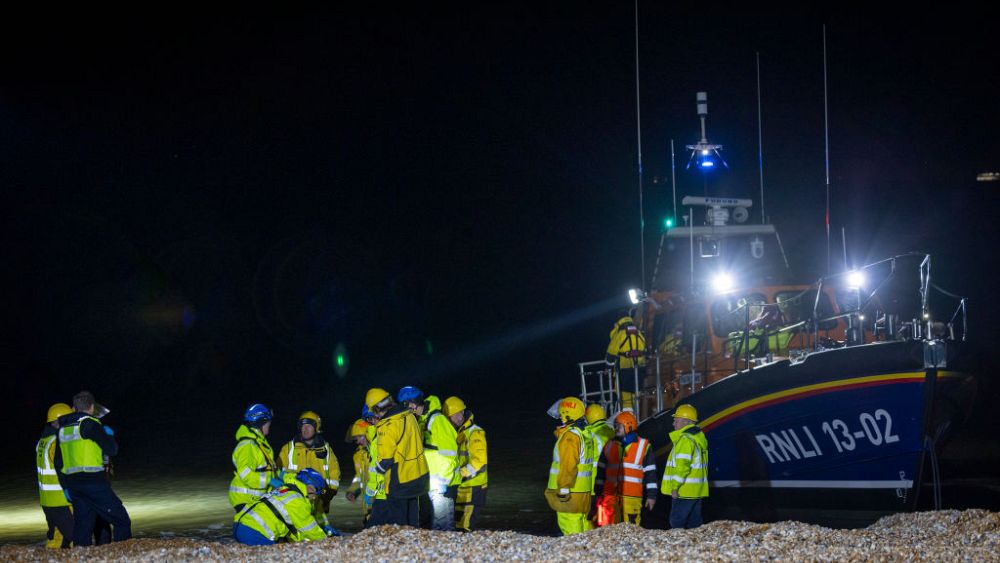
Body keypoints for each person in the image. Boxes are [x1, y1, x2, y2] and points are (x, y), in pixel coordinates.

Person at [54, 390, 131, 547]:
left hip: (74, 486)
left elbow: (58, 462)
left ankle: (80, 555)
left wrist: (65, 487)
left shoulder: (63, 429)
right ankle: (122, 554)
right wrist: (108, 435)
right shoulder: (89, 424)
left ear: (74, 407)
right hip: (94, 483)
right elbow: (112, 450)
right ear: (91, 407)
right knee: (122, 520)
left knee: (82, 527)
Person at [366, 387, 430, 527]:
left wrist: (377, 471)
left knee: (398, 524)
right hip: (419, 477)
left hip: (400, 481)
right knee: (412, 520)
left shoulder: (386, 425)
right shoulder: (410, 416)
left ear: (376, 409)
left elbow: (386, 459)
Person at [276, 411, 341, 536]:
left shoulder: (326, 449)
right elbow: (277, 473)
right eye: (302, 425)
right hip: (294, 504)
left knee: (318, 535)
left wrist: (327, 495)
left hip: (319, 503)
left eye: (309, 425)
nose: (305, 429)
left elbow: (334, 474)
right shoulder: (288, 449)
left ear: (317, 428)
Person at [404, 388, 459, 531]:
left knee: (443, 524)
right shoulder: (424, 420)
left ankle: (447, 544)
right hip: (433, 482)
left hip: (443, 482)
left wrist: (443, 481)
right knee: (435, 524)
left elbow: (450, 453)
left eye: (406, 405)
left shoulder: (437, 420)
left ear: (413, 404)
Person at [233, 468, 329, 545]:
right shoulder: (298, 501)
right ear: (310, 487)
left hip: (239, 525)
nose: (315, 497)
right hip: (254, 531)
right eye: (317, 492)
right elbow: (310, 530)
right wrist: (327, 542)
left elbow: (294, 529)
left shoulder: (285, 489)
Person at [593, 411, 656, 526]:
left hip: (632, 497)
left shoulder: (644, 446)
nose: (616, 429)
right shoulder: (609, 444)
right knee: (608, 529)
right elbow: (600, 471)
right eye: (615, 426)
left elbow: (651, 474)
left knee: (631, 529)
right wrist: (598, 492)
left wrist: (652, 496)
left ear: (629, 426)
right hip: (610, 496)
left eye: (619, 426)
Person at [544, 396, 595, 536]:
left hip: (570, 493)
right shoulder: (585, 433)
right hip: (583, 491)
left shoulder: (570, 437)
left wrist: (564, 488)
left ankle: (578, 549)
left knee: (569, 526)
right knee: (582, 523)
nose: (560, 417)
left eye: (562, 414)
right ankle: (588, 548)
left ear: (568, 414)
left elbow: (568, 465)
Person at [661, 404, 709, 529]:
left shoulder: (685, 440)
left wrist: (675, 487)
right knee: (695, 524)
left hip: (684, 490)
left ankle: (678, 542)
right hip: (696, 490)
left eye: (676, 421)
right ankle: (696, 542)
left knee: (676, 522)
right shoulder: (697, 438)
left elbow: (682, 466)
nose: (673, 424)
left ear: (686, 422)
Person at [444, 396, 487, 532]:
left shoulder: (474, 432)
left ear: (461, 413)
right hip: (463, 486)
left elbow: (480, 461)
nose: (452, 419)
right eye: (450, 417)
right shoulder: (458, 432)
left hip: (474, 487)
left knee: (465, 527)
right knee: (459, 525)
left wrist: (460, 474)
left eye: (453, 416)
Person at [37, 403, 74, 548]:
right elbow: (63, 467)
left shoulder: (43, 441)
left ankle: (51, 556)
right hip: (61, 500)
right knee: (75, 537)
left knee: (55, 538)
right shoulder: (55, 442)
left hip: (46, 501)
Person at [229, 403, 278, 512]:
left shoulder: (259, 443)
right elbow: (246, 475)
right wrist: (270, 481)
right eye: (268, 422)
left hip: (255, 499)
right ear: (261, 422)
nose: (269, 425)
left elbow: (265, 469)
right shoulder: (248, 445)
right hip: (246, 499)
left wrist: (280, 474)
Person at [397, 386, 434, 529]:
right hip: (416, 474)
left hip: (418, 474)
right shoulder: (412, 420)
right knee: (420, 510)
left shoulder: (416, 420)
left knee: (422, 510)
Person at [344, 418, 372, 525]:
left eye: (360, 436)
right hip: (368, 508)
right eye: (356, 438)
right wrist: (353, 491)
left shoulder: (380, 449)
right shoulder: (358, 455)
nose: (358, 441)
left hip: (382, 505)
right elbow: (360, 476)